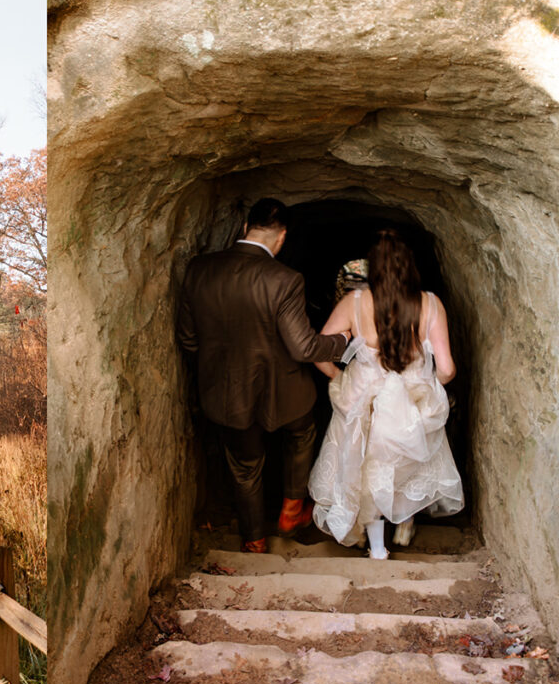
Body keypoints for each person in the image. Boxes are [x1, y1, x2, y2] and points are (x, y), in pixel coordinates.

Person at [177, 198, 349, 553]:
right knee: (302, 433)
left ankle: (254, 540)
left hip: (226, 394)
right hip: (284, 391)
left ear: (244, 228)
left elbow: (188, 339)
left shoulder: (199, 269)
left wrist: (217, 365)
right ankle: (291, 509)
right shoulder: (285, 279)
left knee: (244, 467)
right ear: (282, 237)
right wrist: (341, 341)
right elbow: (303, 348)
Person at [309, 229, 463, 558]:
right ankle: (405, 519)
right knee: (406, 461)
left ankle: (377, 549)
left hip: (365, 397)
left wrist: (340, 376)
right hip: (411, 398)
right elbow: (447, 368)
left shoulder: (354, 302)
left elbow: (318, 351)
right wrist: (429, 385)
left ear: (374, 267)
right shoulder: (431, 304)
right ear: (411, 266)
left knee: (367, 470)